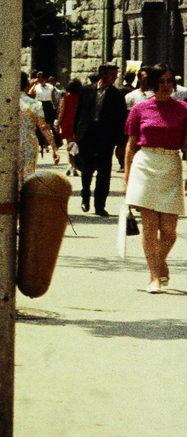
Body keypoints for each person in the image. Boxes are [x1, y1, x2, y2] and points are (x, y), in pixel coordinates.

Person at [123, 63, 187, 292]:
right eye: (160, 81)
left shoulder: (183, 109)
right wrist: (127, 179)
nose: (165, 86)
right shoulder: (139, 109)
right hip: (145, 165)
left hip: (171, 164)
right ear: (151, 84)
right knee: (150, 227)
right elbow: (130, 146)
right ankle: (154, 277)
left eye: (170, 81)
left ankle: (160, 265)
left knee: (169, 232)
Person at [73, 63, 127, 215]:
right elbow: (79, 112)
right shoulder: (87, 90)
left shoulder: (117, 95)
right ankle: (85, 195)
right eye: (113, 73)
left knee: (104, 171)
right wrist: (74, 134)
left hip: (106, 137)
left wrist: (120, 143)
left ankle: (100, 205)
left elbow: (121, 119)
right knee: (87, 168)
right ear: (103, 73)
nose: (115, 76)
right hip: (87, 135)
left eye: (117, 73)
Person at [18, 71, 55, 183]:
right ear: (26, 85)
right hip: (28, 144)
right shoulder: (34, 104)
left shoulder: (2, 103)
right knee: (27, 178)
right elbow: (43, 127)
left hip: (6, 145)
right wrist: (54, 147)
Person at [58, 78, 82, 174]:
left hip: (68, 122)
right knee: (77, 145)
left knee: (69, 145)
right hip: (79, 123)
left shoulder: (66, 97)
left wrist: (58, 123)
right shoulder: (82, 97)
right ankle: (75, 165)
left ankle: (70, 164)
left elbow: (62, 111)